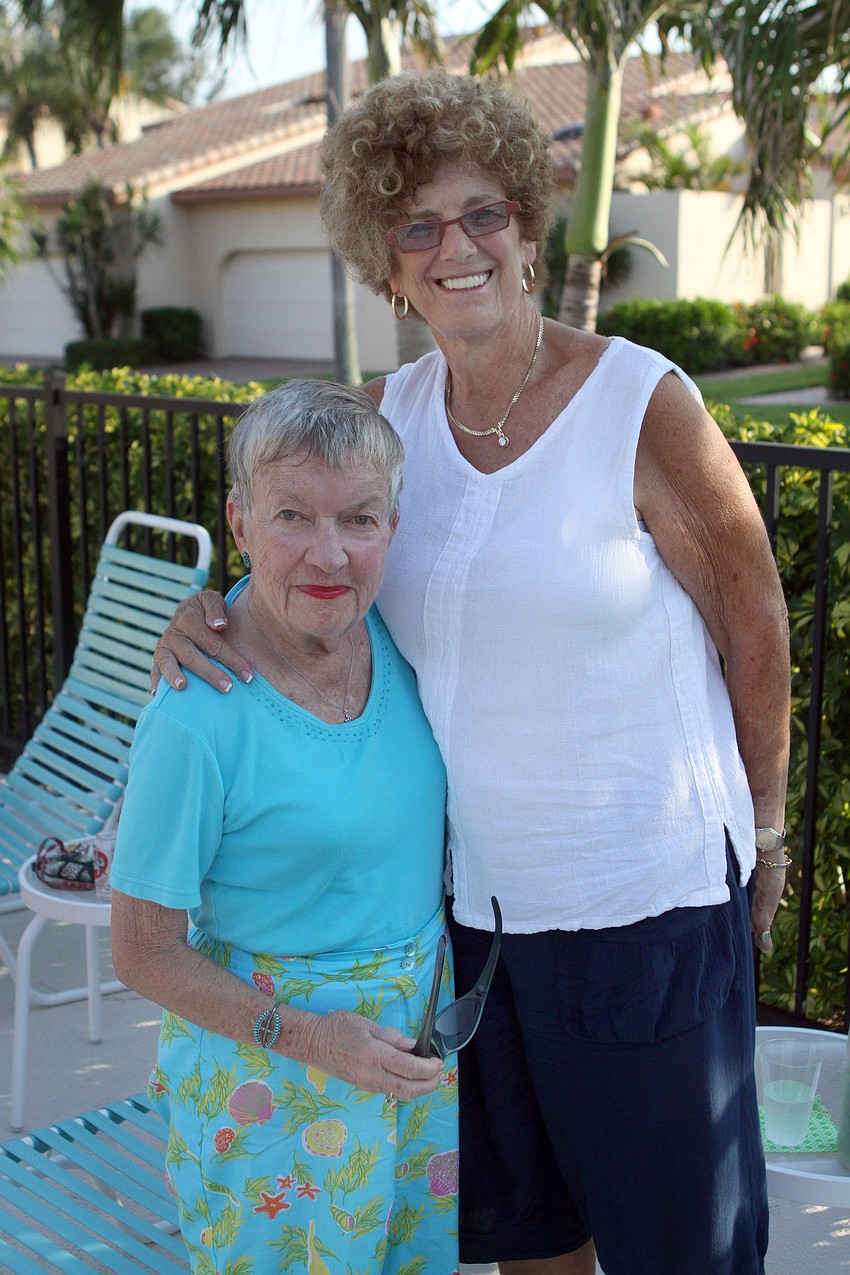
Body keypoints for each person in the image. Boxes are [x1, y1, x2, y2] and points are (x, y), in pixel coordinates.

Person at [149, 72, 791, 1275]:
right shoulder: (387, 422)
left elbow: (753, 621)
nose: (457, 246)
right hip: (475, 925)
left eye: (484, 212)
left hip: (641, 908)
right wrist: (200, 617)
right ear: (385, 266)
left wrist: (764, 824)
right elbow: (308, 570)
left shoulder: (639, 402)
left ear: (527, 230)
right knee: (532, 1246)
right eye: (417, 226)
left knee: (683, 1253)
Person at [110, 379, 460, 1275]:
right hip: (275, 1079)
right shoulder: (194, 718)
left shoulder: (405, 634)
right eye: (293, 516)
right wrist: (310, 1038)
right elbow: (143, 950)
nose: (329, 555)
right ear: (239, 521)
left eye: (361, 519)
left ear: (392, 525)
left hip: (417, 1067)